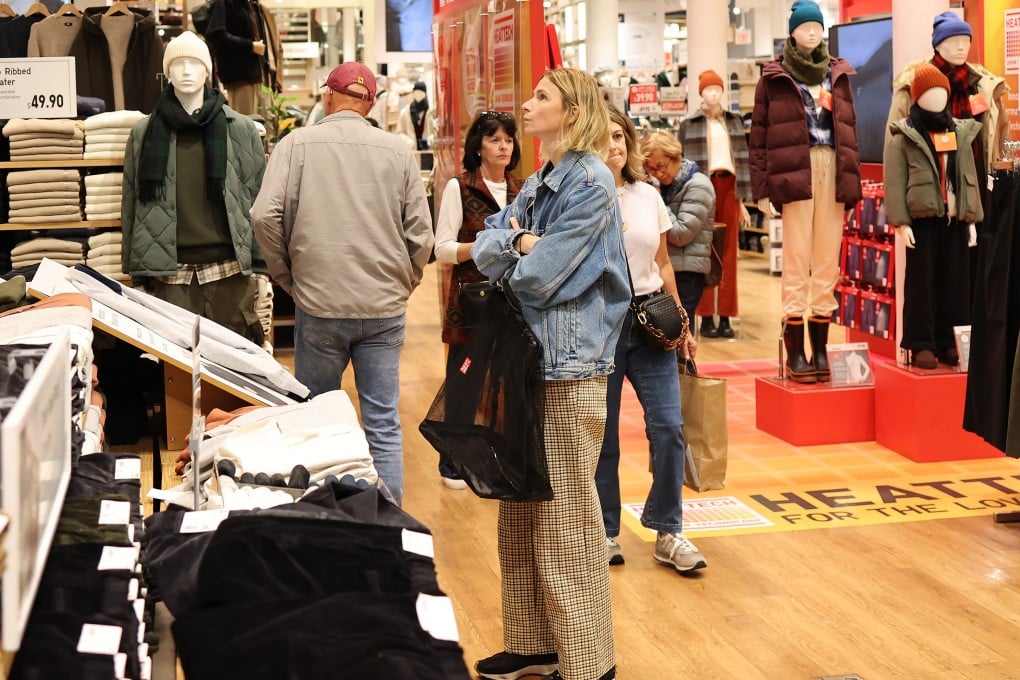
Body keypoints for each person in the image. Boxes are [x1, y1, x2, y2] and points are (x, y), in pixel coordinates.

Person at [470, 68, 628, 680]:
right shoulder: (540, 181)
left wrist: (521, 249)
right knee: (519, 508)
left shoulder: (589, 182)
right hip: (529, 362)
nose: (528, 105)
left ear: (573, 112)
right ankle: (534, 640)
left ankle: (589, 663)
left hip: (569, 368)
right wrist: (520, 243)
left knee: (566, 516)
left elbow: (542, 278)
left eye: (542, 97)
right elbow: (484, 244)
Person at [251, 62, 433, 506]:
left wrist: (286, 275)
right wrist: (405, 281)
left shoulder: (295, 146)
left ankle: (324, 523)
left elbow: (263, 216)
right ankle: (389, 526)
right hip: (383, 307)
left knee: (316, 422)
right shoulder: (398, 151)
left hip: (320, 304)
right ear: (370, 103)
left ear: (327, 97)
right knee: (383, 424)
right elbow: (421, 236)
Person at [595, 107, 705, 573]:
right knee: (602, 436)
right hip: (601, 324)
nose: (614, 145)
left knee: (669, 426)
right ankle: (603, 531)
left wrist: (683, 323)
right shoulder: (582, 196)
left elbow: (662, 263)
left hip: (650, 321)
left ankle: (668, 530)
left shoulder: (648, 195)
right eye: (604, 137)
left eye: (620, 136)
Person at [122, 30, 266, 344]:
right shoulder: (144, 132)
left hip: (229, 274)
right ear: (166, 71)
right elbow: (132, 202)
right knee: (176, 368)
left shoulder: (240, 129)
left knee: (235, 365)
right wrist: (138, 274)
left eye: (195, 63)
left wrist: (261, 268)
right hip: (171, 277)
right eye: (178, 63)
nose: (186, 71)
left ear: (208, 70)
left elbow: (256, 199)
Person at [749, 0, 861, 384]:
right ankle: (796, 351)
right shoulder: (774, 77)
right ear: (792, 32)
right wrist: (762, 188)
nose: (812, 32)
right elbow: (759, 137)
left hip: (833, 168)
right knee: (796, 260)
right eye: (804, 26)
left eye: (817, 26)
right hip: (794, 171)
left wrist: (851, 183)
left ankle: (820, 348)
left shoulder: (837, 74)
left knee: (828, 261)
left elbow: (849, 131)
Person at [433, 110, 523, 489]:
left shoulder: (523, 190)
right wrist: (486, 246)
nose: (503, 147)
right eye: (494, 139)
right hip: (473, 302)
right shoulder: (461, 187)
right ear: (478, 146)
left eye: (508, 140)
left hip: (516, 301)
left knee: (510, 381)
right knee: (465, 379)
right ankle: (452, 460)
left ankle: (502, 457)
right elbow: (441, 248)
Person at [884, 64, 981, 369]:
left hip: (954, 218)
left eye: (942, 91)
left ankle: (950, 341)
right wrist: (901, 222)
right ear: (917, 96)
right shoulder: (904, 135)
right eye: (930, 92)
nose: (937, 97)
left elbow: (968, 176)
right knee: (921, 284)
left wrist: (971, 218)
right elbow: (894, 181)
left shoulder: (959, 132)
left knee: (956, 283)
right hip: (923, 219)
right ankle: (920, 343)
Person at [884, 11, 1008, 177]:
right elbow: (893, 144)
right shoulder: (913, 85)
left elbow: (1002, 135)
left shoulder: (984, 85)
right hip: (930, 182)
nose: (961, 47)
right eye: (953, 41)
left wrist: (1004, 181)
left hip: (978, 180)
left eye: (965, 40)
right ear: (937, 45)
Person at [679, 69, 752, 339]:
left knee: (729, 253)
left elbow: (742, 160)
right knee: (704, 250)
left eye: (717, 89)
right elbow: (682, 164)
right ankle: (706, 314)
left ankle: (727, 316)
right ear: (701, 93)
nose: (713, 93)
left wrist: (742, 200)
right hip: (702, 186)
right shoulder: (690, 124)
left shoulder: (733, 121)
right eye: (709, 89)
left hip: (729, 187)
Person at [640, 131, 716, 330]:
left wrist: (656, 199)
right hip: (668, 269)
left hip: (687, 274)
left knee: (681, 334)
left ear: (676, 157)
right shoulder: (667, 185)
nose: (658, 173)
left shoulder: (699, 186)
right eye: (651, 169)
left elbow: (681, 234)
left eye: (661, 166)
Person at [204, 0, 282, 115]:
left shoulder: (255, 6)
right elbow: (216, 34)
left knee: (265, 123)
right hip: (242, 79)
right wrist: (249, 46)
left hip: (263, 78)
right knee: (245, 121)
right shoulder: (225, 3)